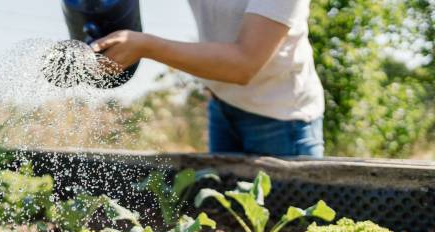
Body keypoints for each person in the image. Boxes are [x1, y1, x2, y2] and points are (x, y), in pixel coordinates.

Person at [91, 0, 325, 157]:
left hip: (282, 119)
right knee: (226, 218)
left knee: (286, 222)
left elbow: (244, 65)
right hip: (222, 105)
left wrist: (146, 46)